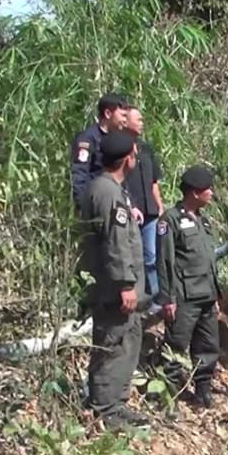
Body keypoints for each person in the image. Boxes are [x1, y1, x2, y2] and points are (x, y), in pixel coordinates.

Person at [78, 130, 151, 431]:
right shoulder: (108, 193)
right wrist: (125, 284)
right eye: (135, 154)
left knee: (126, 343)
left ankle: (116, 405)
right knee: (113, 344)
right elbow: (115, 242)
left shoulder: (110, 189)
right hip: (114, 289)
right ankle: (105, 410)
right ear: (127, 159)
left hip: (120, 288)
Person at [154, 165, 222, 409]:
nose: (211, 193)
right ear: (194, 192)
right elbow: (165, 262)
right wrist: (167, 299)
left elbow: (208, 261)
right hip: (184, 297)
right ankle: (167, 397)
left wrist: (216, 294)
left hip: (206, 296)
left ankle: (203, 392)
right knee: (176, 347)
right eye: (207, 189)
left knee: (208, 346)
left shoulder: (203, 221)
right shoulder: (170, 220)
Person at [122, 105, 165, 309]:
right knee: (134, 258)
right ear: (126, 121)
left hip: (150, 211)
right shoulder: (118, 149)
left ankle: (156, 300)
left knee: (153, 257)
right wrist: (130, 205)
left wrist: (160, 205)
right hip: (131, 212)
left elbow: (154, 181)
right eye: (138, 119)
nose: (142, 123)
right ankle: (139, 300)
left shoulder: (146, 148)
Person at [70, 92, 131, 214]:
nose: (125, 120)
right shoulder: (88, 139)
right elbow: (79, 175)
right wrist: (84, 207)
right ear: (108, 114)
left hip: (115, 200)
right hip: (96, 202)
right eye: (123, 116)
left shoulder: (118, 139)